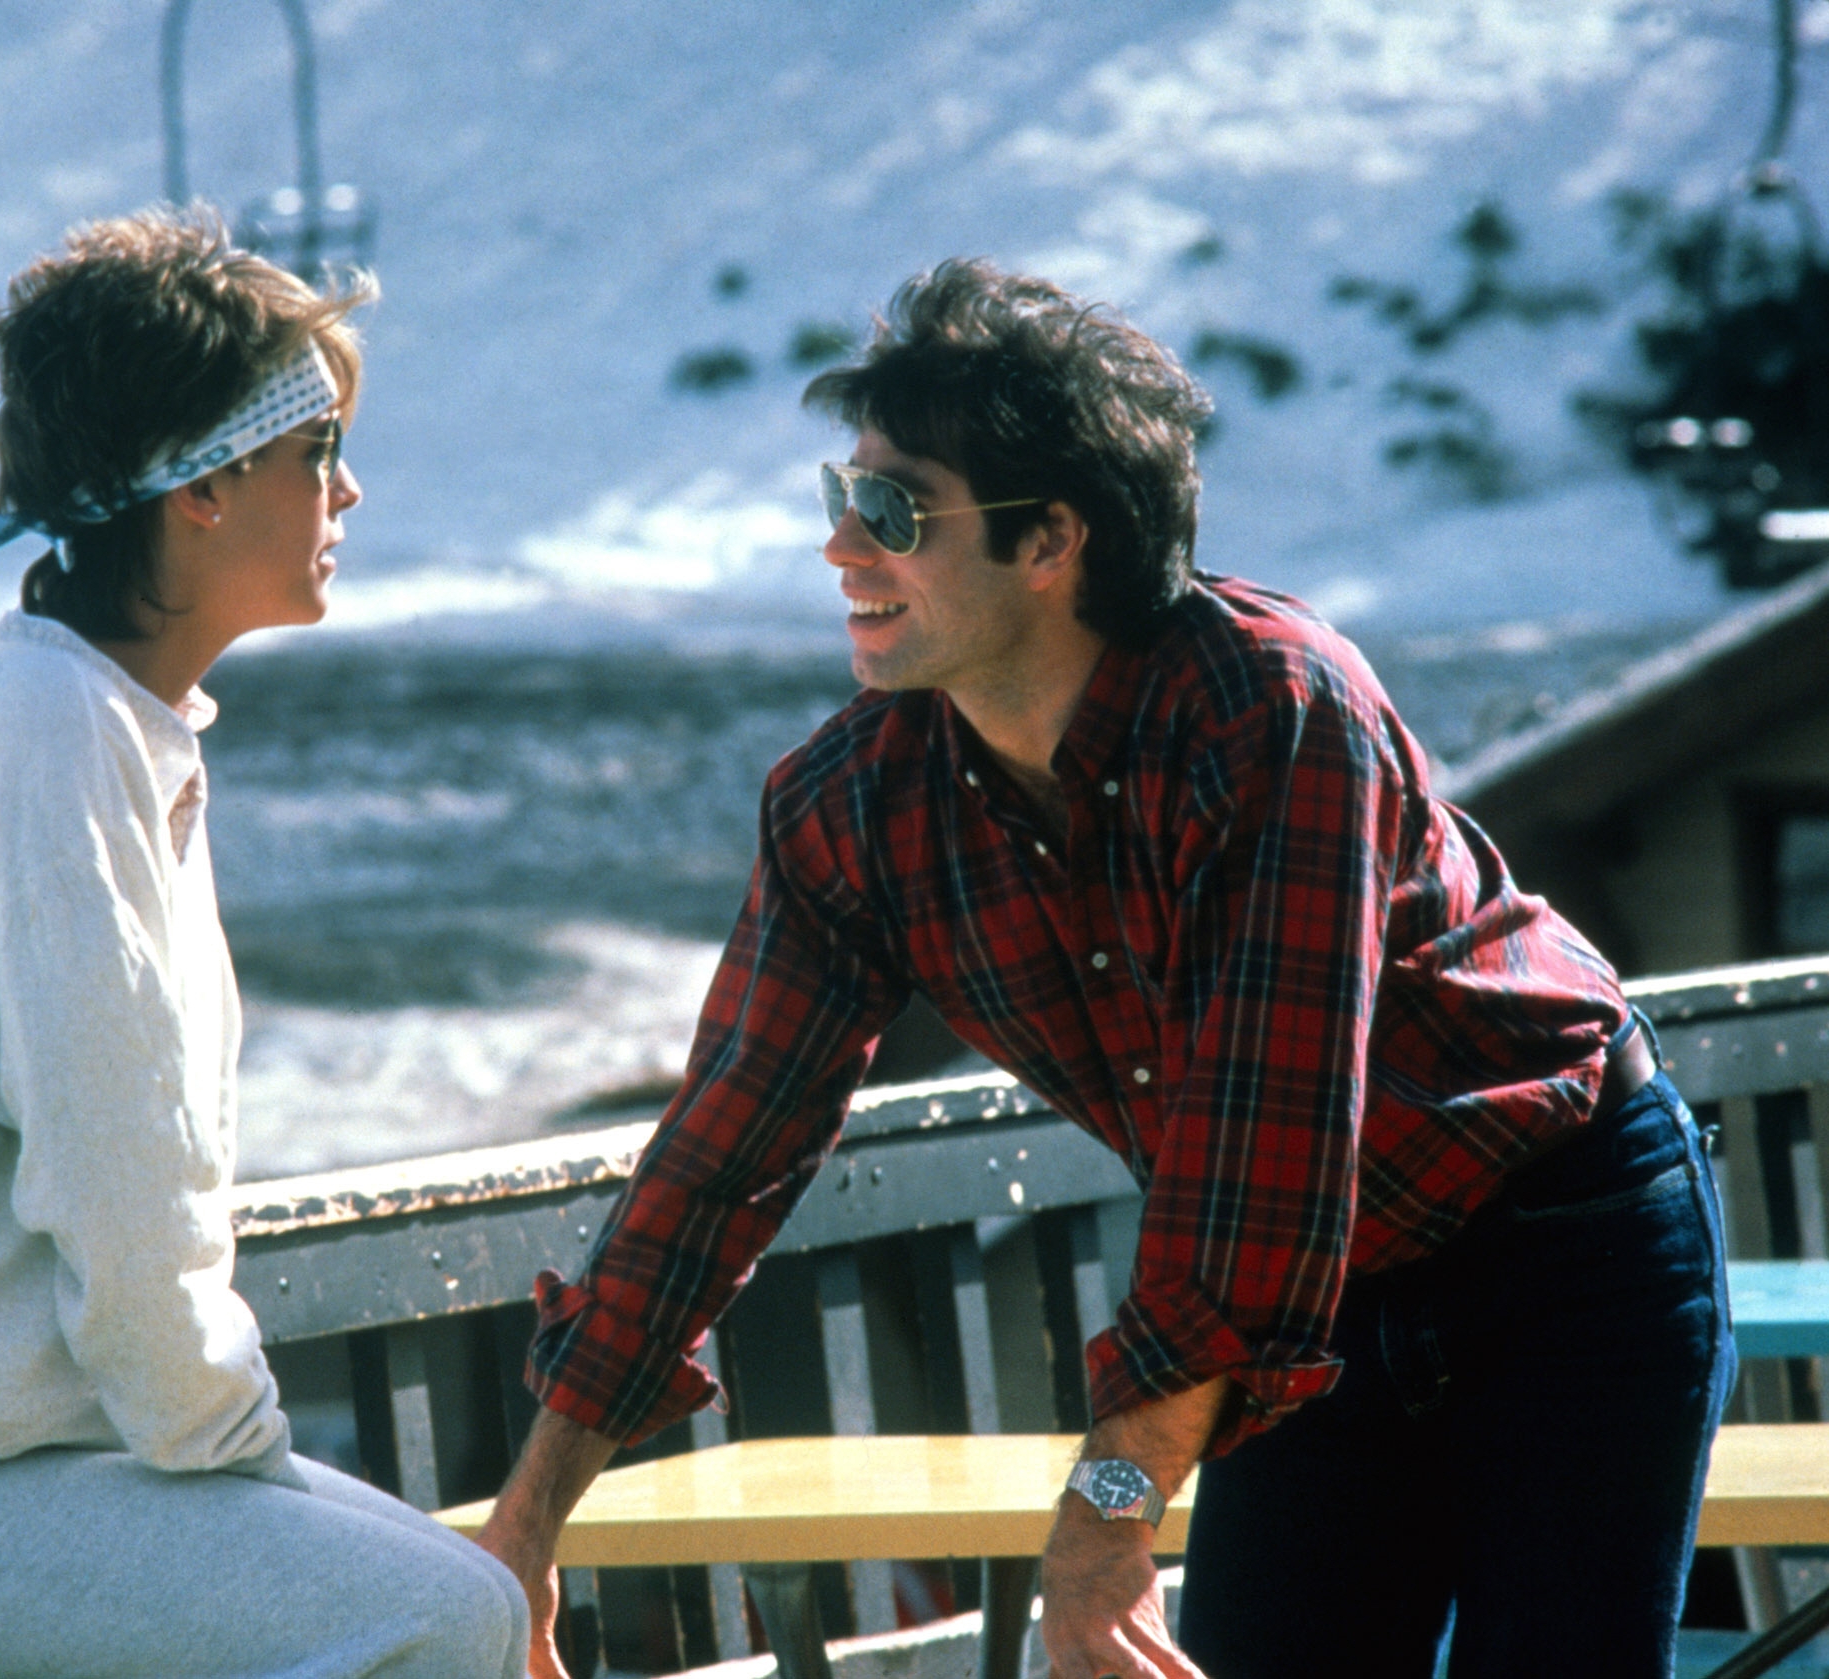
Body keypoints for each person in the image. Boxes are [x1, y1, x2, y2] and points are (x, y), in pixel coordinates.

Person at [473, 263, 1735, 1679]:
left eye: (891, 509)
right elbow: (721, 1156)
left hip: (1560, 1248)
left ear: (1051, 540)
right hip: (1294, 1322)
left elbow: (1257, 1157)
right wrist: (527, 1527)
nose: (839, 547)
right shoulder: (850, 807)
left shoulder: (1272, 708)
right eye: (838, 495)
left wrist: (1107, 1514)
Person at [0, 208, 528, 1679]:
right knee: (444, 1620)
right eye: (315, 449)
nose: (349, 488)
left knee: (452, 1598)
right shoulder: (48, 734)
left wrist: (244, 1490)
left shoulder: (82, 715)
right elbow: (115, 1175)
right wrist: (233, 1455)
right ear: (203, 484)